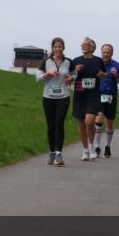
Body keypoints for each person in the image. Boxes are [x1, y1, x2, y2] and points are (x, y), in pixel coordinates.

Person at [36, 37, 73, 166]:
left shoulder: (68, 62)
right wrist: (47, 74)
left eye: (60, 47)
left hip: (63, 96)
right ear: (53, 48)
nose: (58, 49)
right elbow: (37, 77)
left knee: (59, 123)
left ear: (63, 48)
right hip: (48, 97)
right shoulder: (46, 62)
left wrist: (70, 78)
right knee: (51, 125)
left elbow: (74, 74)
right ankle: (52, 152)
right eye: (55, 47)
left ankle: (59, 154)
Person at [71, 37, 107, 161]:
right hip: (80, 95)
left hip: (93, 95)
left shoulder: (98, 61)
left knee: (89, 121)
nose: (83, 46)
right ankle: (85, 150)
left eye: (86, 44)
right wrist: (75, 71)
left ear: (92, 47)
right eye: (82, 44)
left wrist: (102, 75)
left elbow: (104, 74)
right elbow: (70, 77)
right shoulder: (75, 61)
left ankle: (92, 146)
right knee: (81, 123)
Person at [94, 43, 119, 158]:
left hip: (111, 96)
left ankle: (107, 146)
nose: (105, 54)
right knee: (99, 117)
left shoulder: (117, 65)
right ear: (101, 53)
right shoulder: (97, 63)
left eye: (108, 52)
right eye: (104, 52)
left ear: (111, 53)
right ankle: (97, 147)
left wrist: (117, 76)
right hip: (98, 95)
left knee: (110, 122)